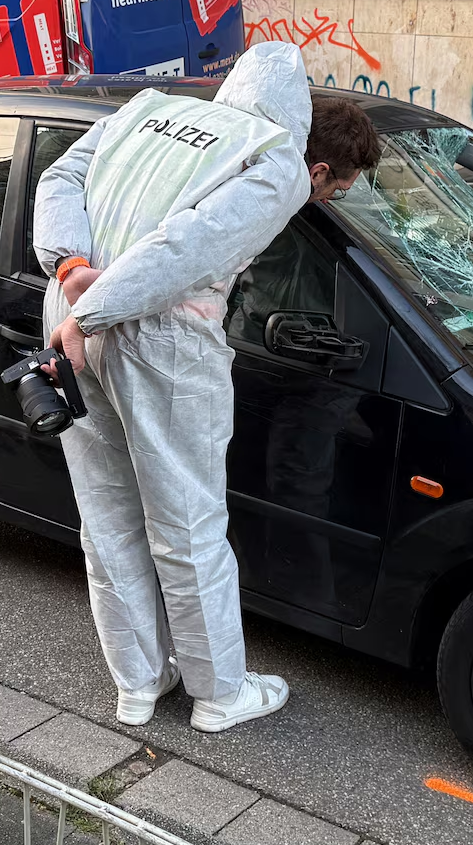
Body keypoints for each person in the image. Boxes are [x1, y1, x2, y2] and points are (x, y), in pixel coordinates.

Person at [34, 66, 381, 732]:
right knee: (188, 524)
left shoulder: (148, 109)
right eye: (336, 190)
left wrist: (73, 270)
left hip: (68, 308)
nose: (326, 200)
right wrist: (94, 314)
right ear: (319, 171)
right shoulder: (274, 160)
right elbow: (188, 247)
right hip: (153, 332)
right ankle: (219, 692)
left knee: (107, 515)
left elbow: (60, 179)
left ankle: (138, 684)